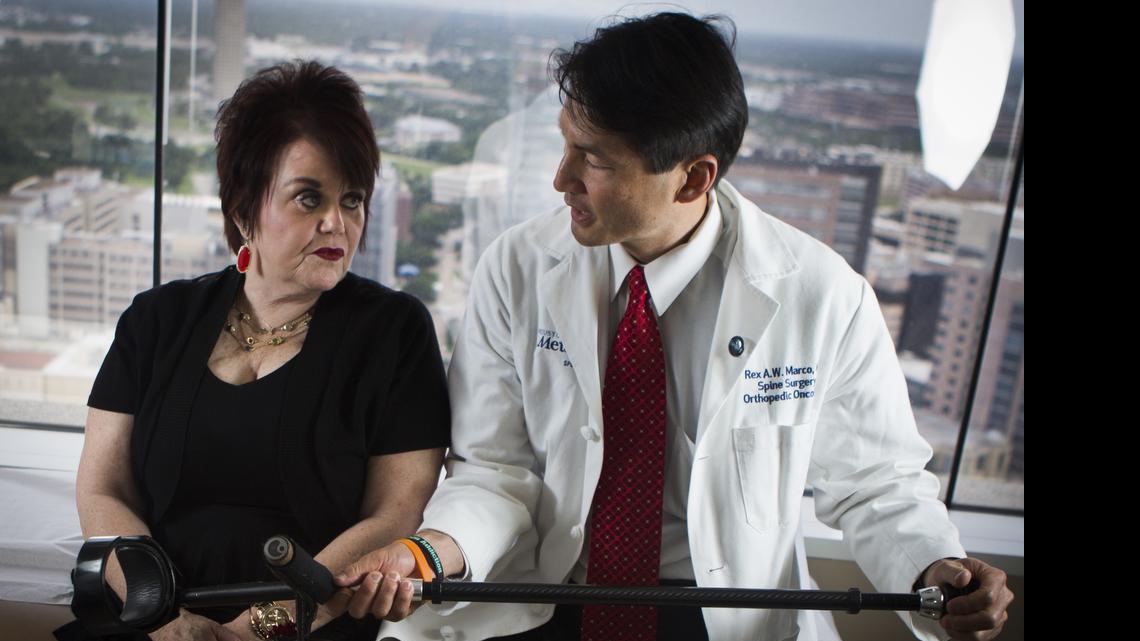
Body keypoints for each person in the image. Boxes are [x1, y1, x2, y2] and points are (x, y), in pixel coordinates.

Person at [330, 13, 1013, 641]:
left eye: (593, 159)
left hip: (720, 613)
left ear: (692, 180)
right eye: (566, 145)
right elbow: (496, 470)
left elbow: (878, 483)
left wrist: (934, 571)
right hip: (544, 595)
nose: (560, 178)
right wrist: (427, 551)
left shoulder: (822, 294)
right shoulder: (516, 267)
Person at [64, 61, 450, 641]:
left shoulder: (396, 331)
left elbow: (393, 516)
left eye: (352, 199)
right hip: (146, 624)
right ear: (245, 210)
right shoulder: (155, 319)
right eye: (307, 198)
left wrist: (257, 630)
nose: (336, 223)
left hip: (310, 626)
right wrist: (164, 618)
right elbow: (102, 490)